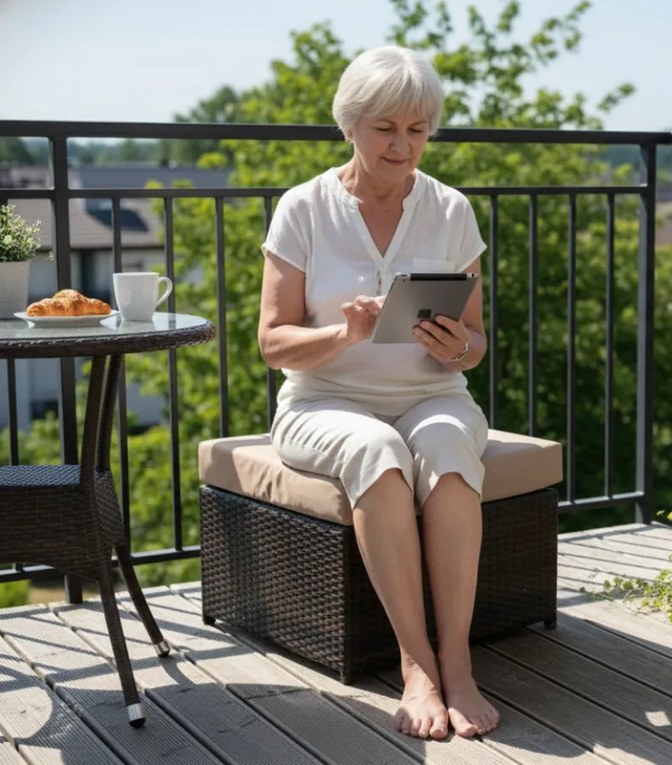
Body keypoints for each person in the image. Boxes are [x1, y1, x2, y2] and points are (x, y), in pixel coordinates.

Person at [257, 45, 498, 740]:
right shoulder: (303, 207)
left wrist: (460, 346)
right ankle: (415, 664)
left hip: (432, 394)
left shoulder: (451, 210)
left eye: (418, 129)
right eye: (387, 127)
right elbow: (272, 342)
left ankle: (457, 661)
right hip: (321, 401)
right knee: (377, 448)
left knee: (449, 442)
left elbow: (478, 342)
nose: (403, 145)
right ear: (351, 124)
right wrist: (343, 333)